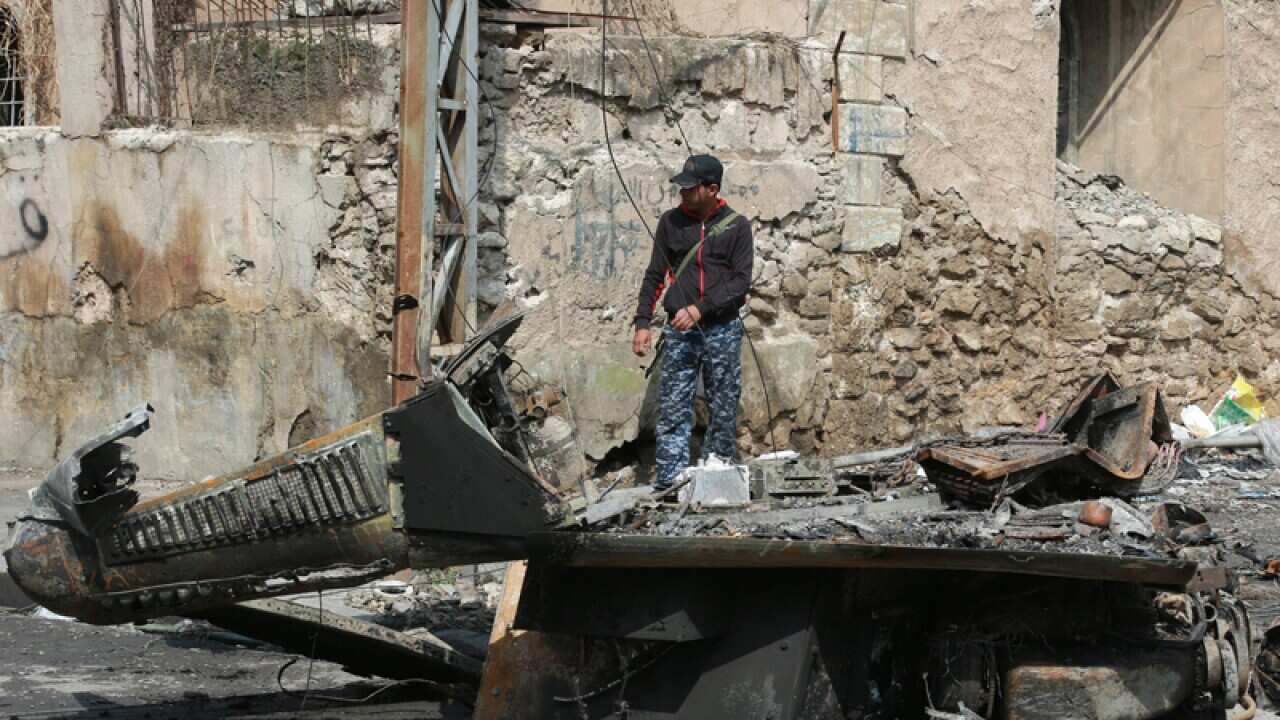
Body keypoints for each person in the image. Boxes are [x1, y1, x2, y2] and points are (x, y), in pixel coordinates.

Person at [632, 154, 754, 491]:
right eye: (681, 187)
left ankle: (719, 479)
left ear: (712, 189)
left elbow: (740, 281)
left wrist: (701, 309)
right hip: (680, 332)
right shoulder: (670, 223)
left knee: (723, 404)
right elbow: (655, 275)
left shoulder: (737, 226)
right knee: (673, 406)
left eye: (690, 188)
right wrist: (643, 321)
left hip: (723, 329)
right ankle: (670, 483)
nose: (682, 194)